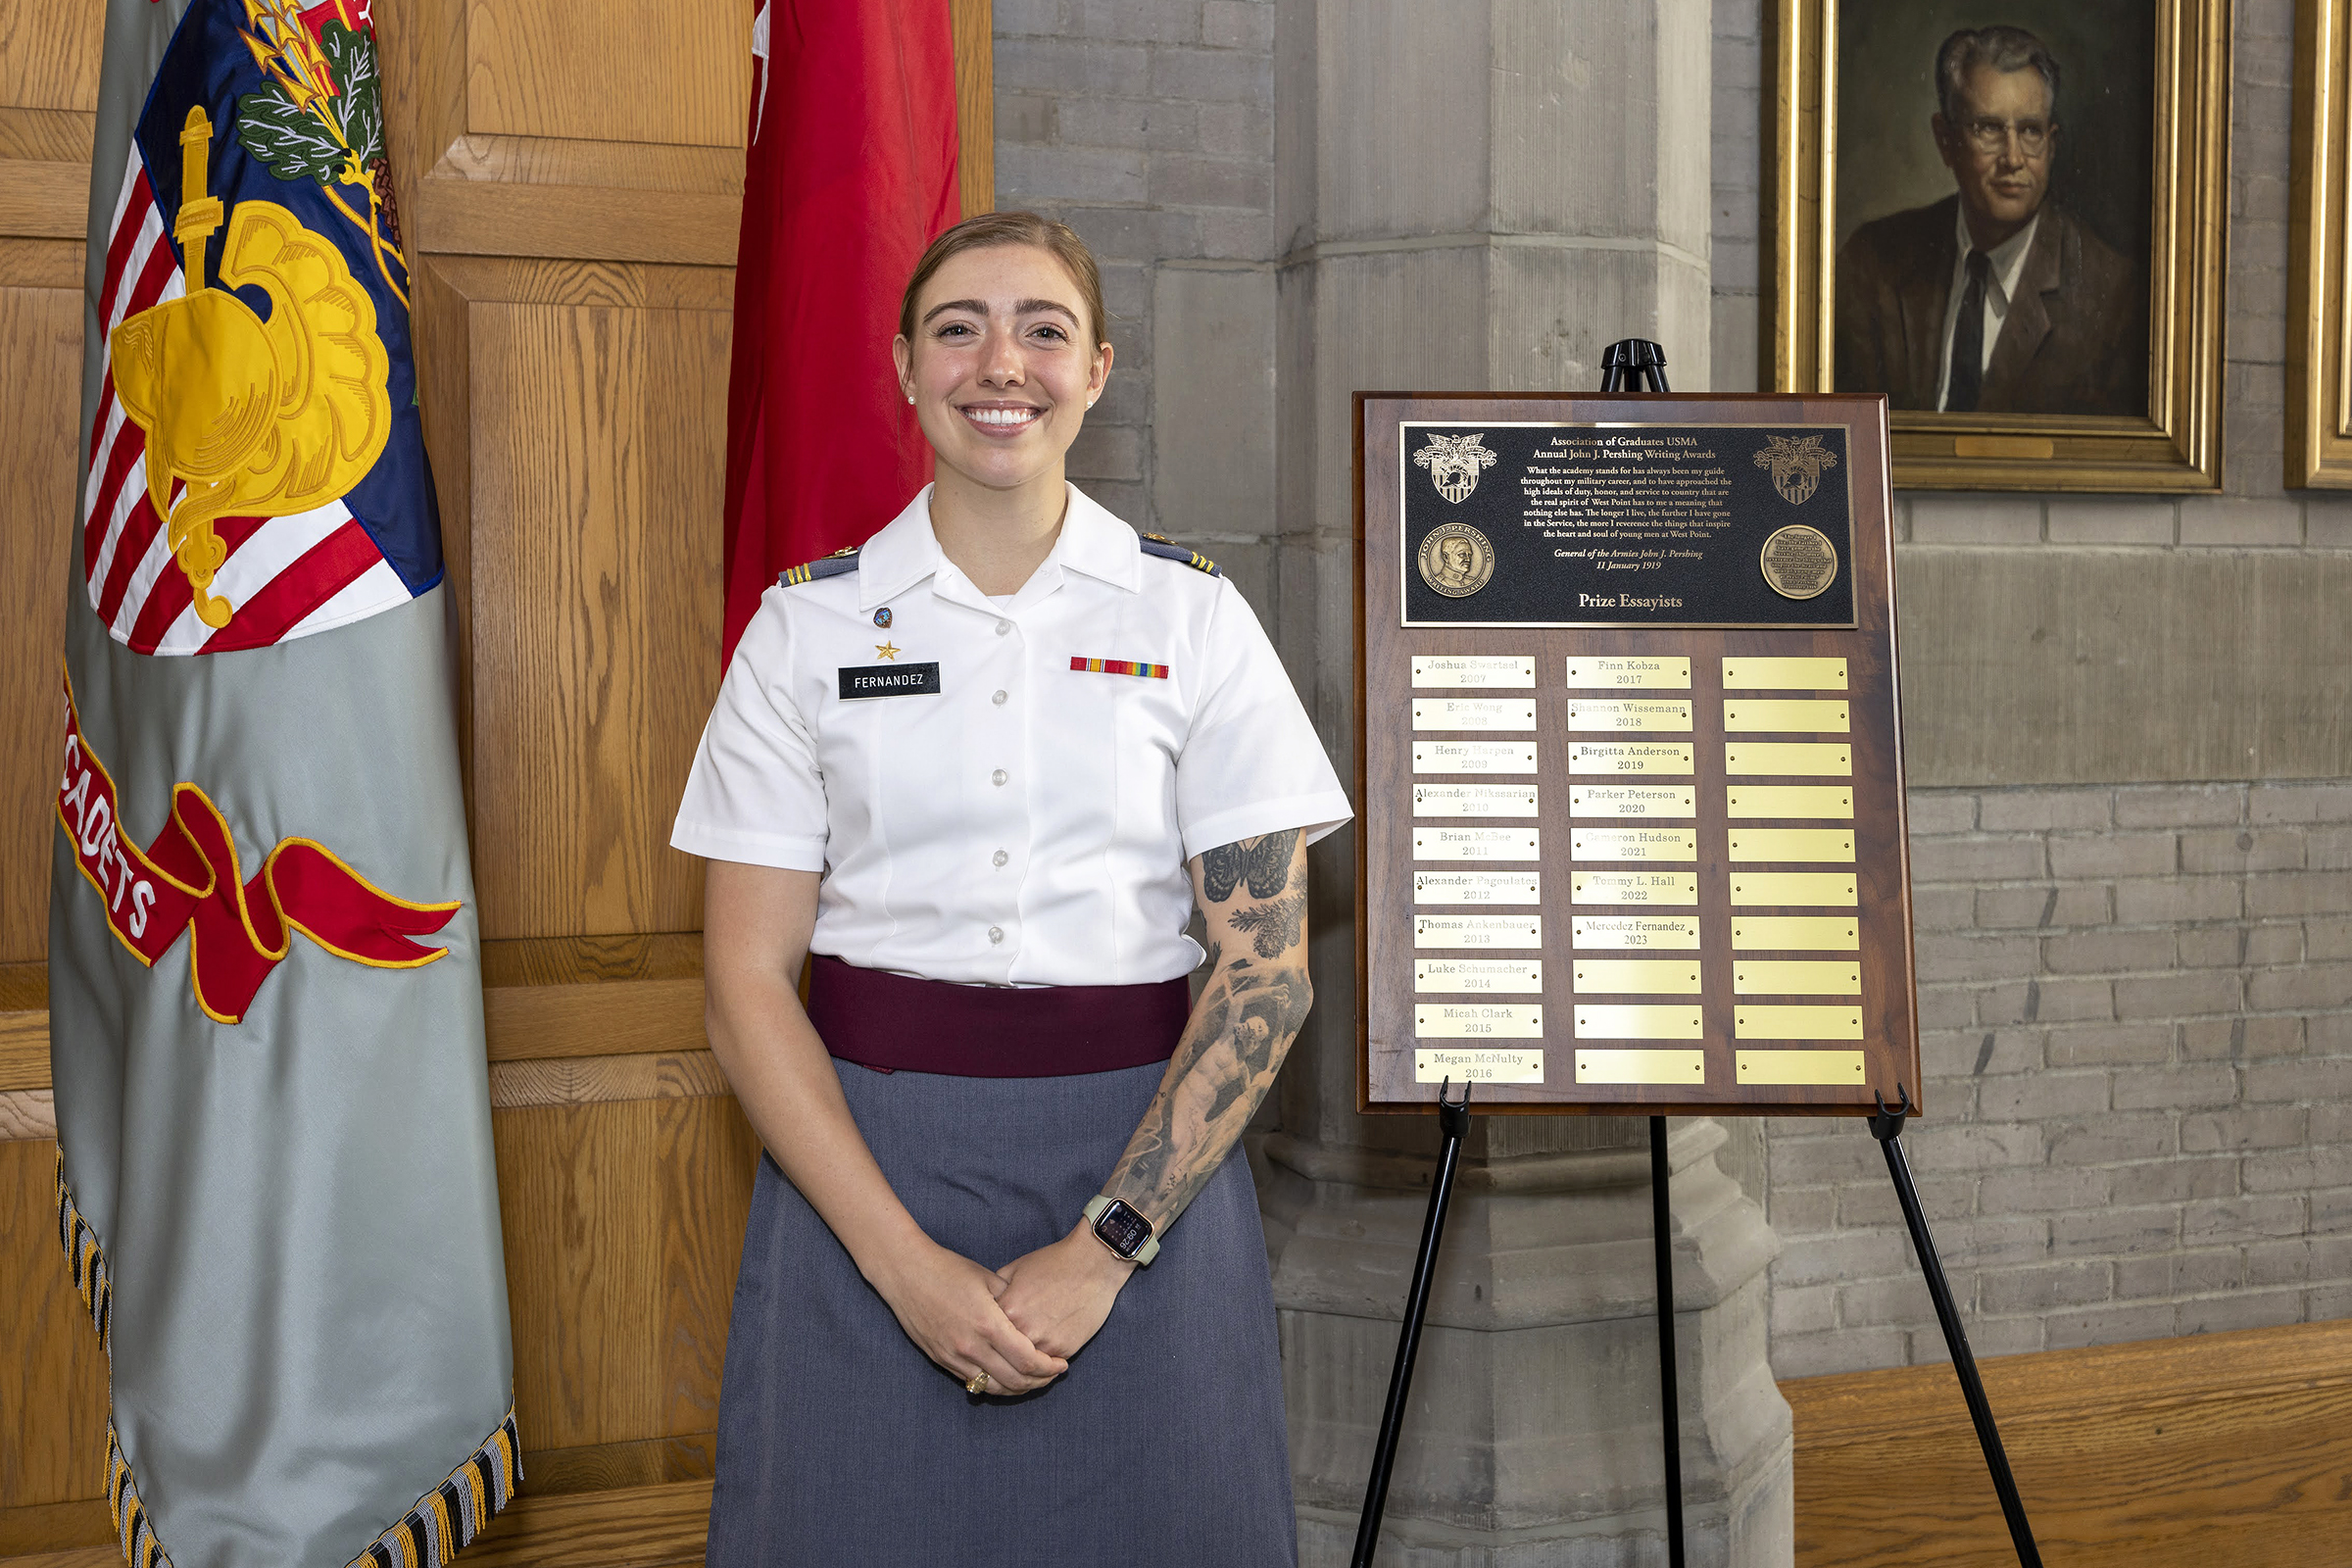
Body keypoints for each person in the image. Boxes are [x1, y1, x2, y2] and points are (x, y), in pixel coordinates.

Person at [670, 209, 1352, 1567]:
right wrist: (903, 1266)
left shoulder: (1192, 620)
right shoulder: (804, 628)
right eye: (958, 328)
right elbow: (745, 983)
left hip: (1145, 1162)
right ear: (905, 370)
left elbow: (1267, 972)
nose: (1003, 362)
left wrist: (1104, 1249)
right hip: (864, 1161)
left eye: (1044, 330)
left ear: (1097, 371)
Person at [1834, 24, 2144, 416]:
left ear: (2051, 146)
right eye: (1989, 129)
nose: (2013, 158)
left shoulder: (2114, 296)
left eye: (2030, 131)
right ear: (1945, 141)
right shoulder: (1870, 263)